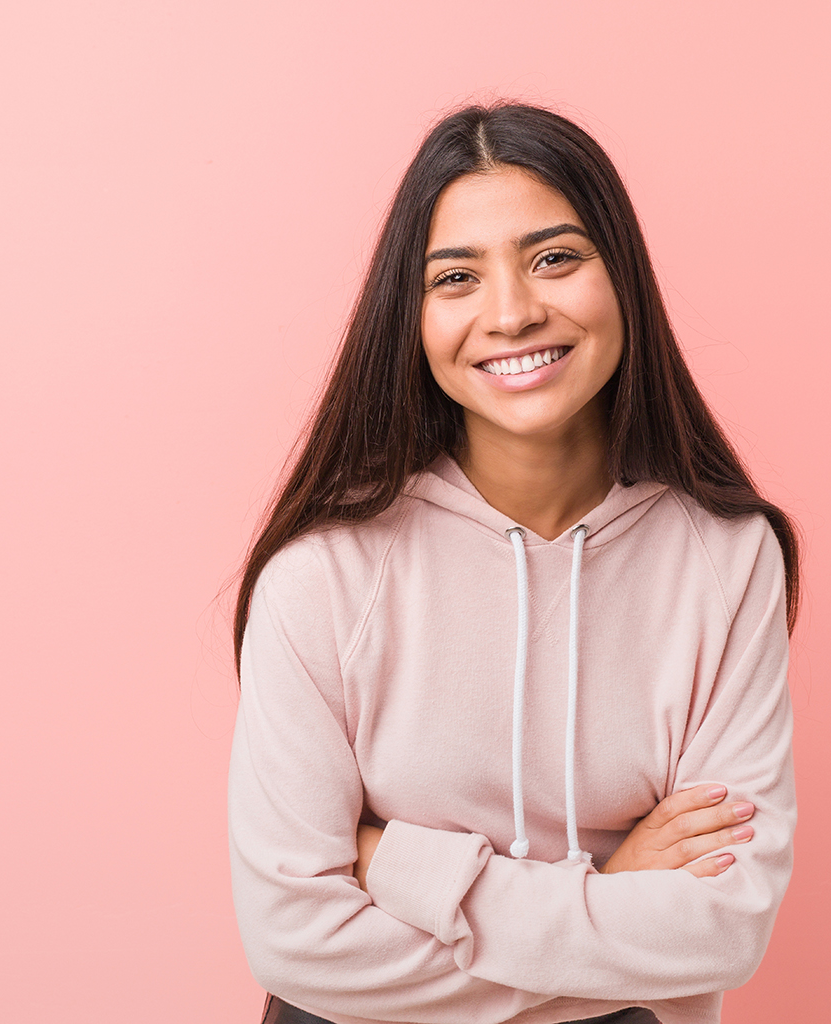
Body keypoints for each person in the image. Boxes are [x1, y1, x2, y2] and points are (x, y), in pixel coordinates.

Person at [228, 102, 800, 1024]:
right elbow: (295, 941)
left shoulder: (728, 562)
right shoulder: (324, 576)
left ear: (623, 277)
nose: (511, 313)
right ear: (409, 317)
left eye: (555, 258)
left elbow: (724, 929)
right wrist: (613, 896)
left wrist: (400, 866)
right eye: (456, 277)